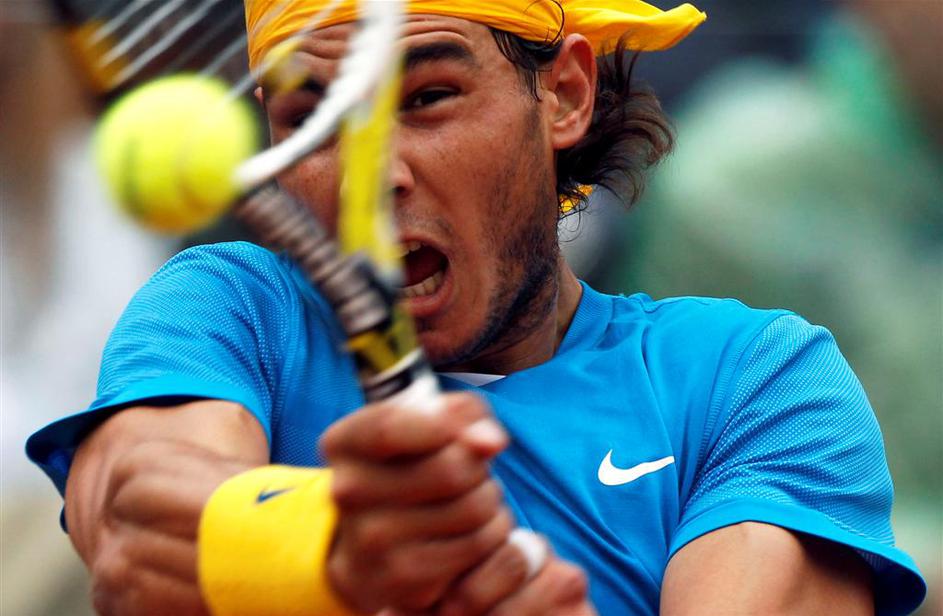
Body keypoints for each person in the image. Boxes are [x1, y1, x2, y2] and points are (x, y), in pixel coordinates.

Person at [26, 1, 926, 615]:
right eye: (310, 119)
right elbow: (134, 532)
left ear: (563, 94)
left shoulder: (754, 379)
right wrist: (340, 549)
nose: (373, 174)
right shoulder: (234, 310)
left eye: (427, 99)